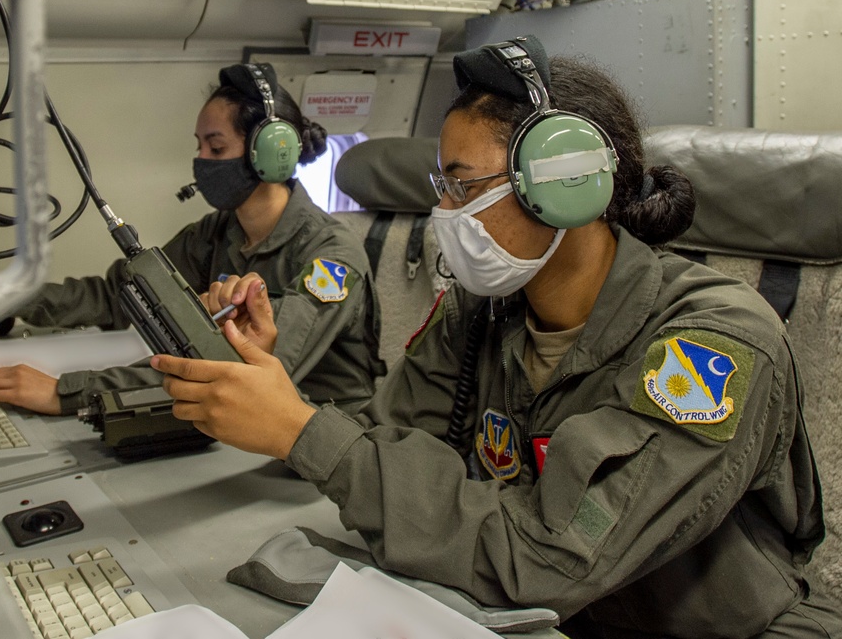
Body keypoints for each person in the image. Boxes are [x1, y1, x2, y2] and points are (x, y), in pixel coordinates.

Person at [148, 37, 842, 637]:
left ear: (564, 184)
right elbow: (386, 449)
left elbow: (550, 554)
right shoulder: (481, 313)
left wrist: (301, 432)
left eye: (461, 186)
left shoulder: (712, 343)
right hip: (534, 618)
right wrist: (281, 383)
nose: (442, 212)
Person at [0, 62, 384, 417]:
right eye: (199, 147)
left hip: (316, 448)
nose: (200, 161)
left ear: (271, 154)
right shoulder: (217, 232)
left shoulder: (331, 260)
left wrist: (64, 391)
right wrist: (12, 300)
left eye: (215, 149)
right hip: (240, 428)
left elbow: (238, 372)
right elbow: (120, 295)